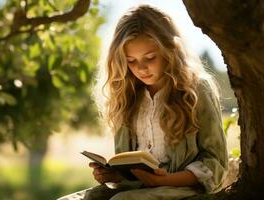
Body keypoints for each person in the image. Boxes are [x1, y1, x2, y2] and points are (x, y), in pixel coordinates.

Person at [57, 4, 228, 200]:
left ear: (170, 50)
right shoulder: (126, 95)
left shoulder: (196, 89)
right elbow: (128, 170)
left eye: (150, 57)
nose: (141, 68)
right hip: (138, 188)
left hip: (182, 188)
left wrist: (162, 180)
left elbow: (215, 162)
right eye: (131, 60)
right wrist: (113, 175)